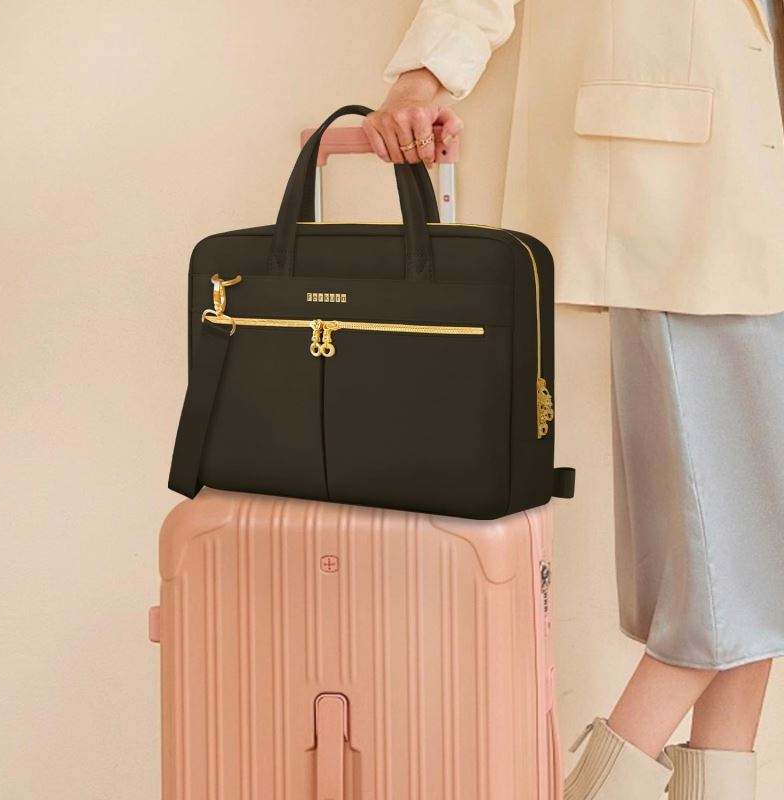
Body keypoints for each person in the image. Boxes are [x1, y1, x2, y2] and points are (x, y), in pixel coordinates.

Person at [363, 2, 784, 799]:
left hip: (761, 173)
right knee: (740, 558)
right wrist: (424, 75)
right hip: (682, 192)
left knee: (755, 548)